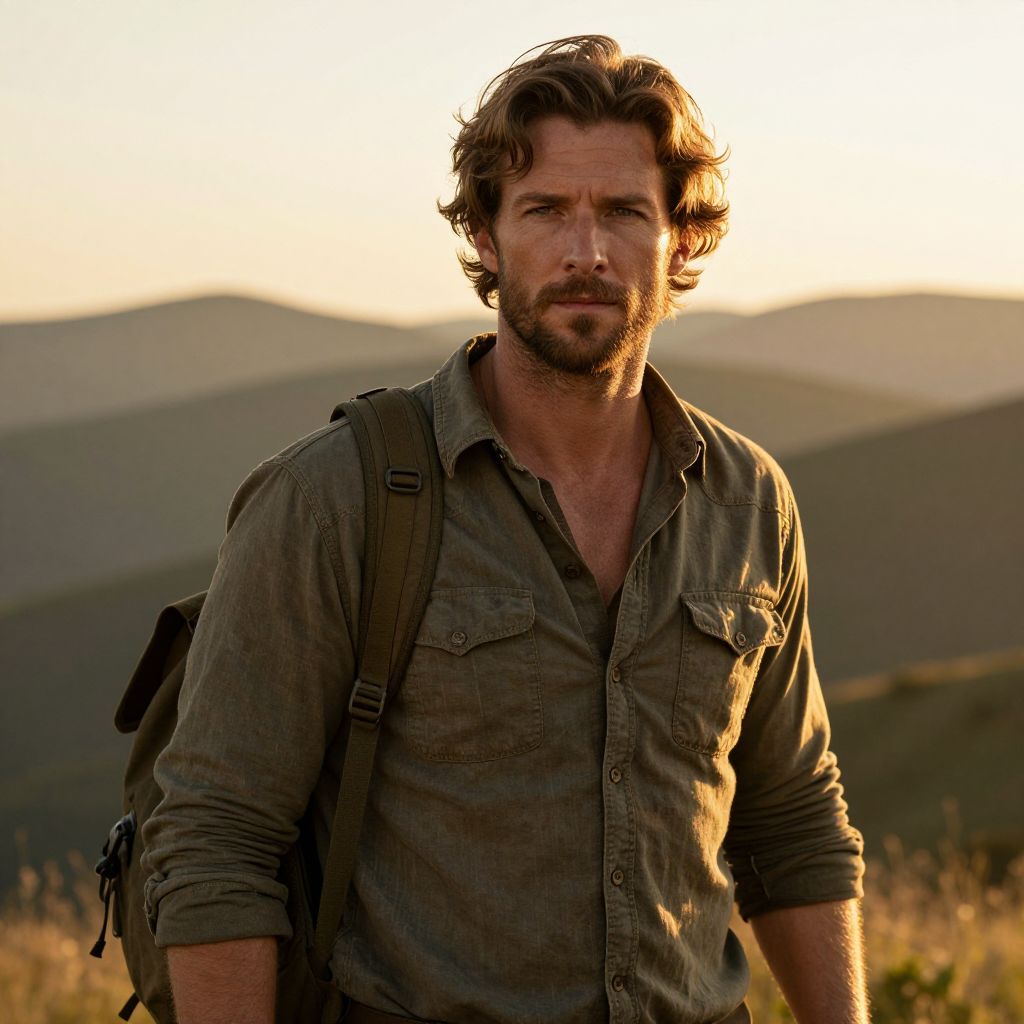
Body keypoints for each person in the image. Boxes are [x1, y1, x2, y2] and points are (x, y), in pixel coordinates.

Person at [144, 35, 868, 1024]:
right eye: (543, 211)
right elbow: (217, 834)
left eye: (622, 211)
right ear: (485, 237)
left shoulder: (745, 497)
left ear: (682, 239)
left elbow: (791, 822)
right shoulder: (338, 497)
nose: (584, 252)